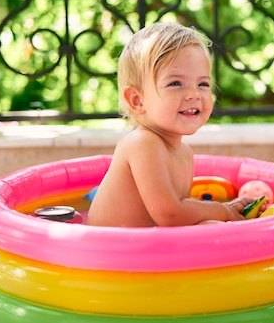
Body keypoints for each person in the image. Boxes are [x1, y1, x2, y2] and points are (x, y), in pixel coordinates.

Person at [87, 22, 258, 227]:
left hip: (148, 250)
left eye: (203, 84)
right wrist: (224, 212)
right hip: (108, 252)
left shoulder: (184, 152)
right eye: (175, 84)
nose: (194, 94)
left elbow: (183, 216)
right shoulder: (142, 143)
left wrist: (228, 209)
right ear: (137, 100)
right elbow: (170, 215)